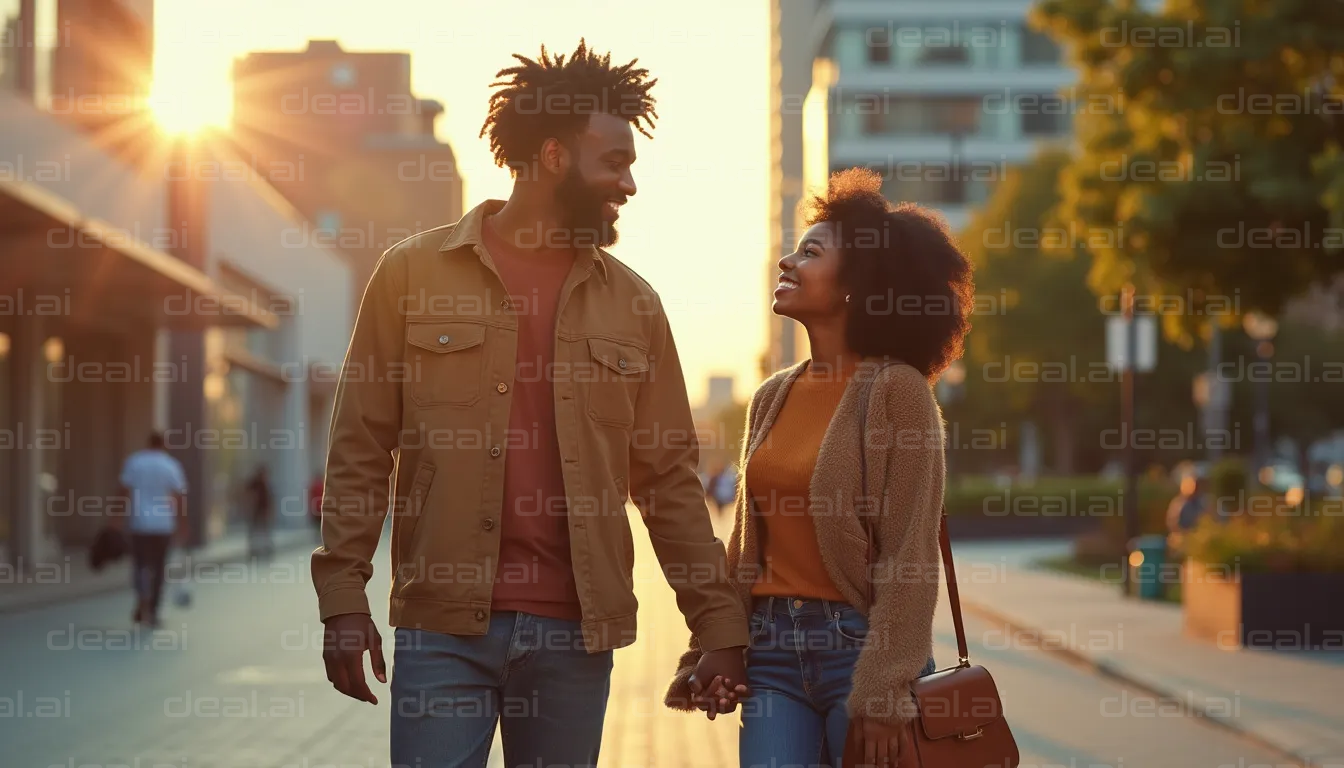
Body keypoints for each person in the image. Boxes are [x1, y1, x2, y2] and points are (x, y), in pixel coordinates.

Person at [311, 40, 748, 768]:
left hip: (575, 636)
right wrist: (343, 602)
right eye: (615, 162)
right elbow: (360, 446)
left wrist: (717, 621)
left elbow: (667, 479)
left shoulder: (635, 304)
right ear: (552, 156)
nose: (630, 184)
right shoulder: (412, 274)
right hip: (444, 628)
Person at [664, 168, 974, 768]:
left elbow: (910, 556)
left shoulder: (896, 393)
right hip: (773, 652)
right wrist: (712, 647)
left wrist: (885, 691)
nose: (787, 261)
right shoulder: (773, 394)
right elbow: (747, 547)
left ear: (859, 282)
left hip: (861, 652)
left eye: (810, 252)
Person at [114, 431, 188, 628]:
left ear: (148, 443)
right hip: (163, 525)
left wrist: (117, 520)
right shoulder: (171, 465)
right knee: (158, 568)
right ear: (164, 445)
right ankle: (153, 611)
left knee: (140, 565)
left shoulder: (135, 462)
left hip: (139, 523)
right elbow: (180, 498)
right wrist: (182, 525)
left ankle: (142, 599)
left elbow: (123, 492)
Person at [244, 464, 274, 562]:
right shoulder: (256, 484)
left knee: (264, 530)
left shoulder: (265, 484)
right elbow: (247, 494)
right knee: (255, 530)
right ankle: (253, 549)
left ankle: (265, 547)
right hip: (256, 510)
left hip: (263, 510)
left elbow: (269, 499)